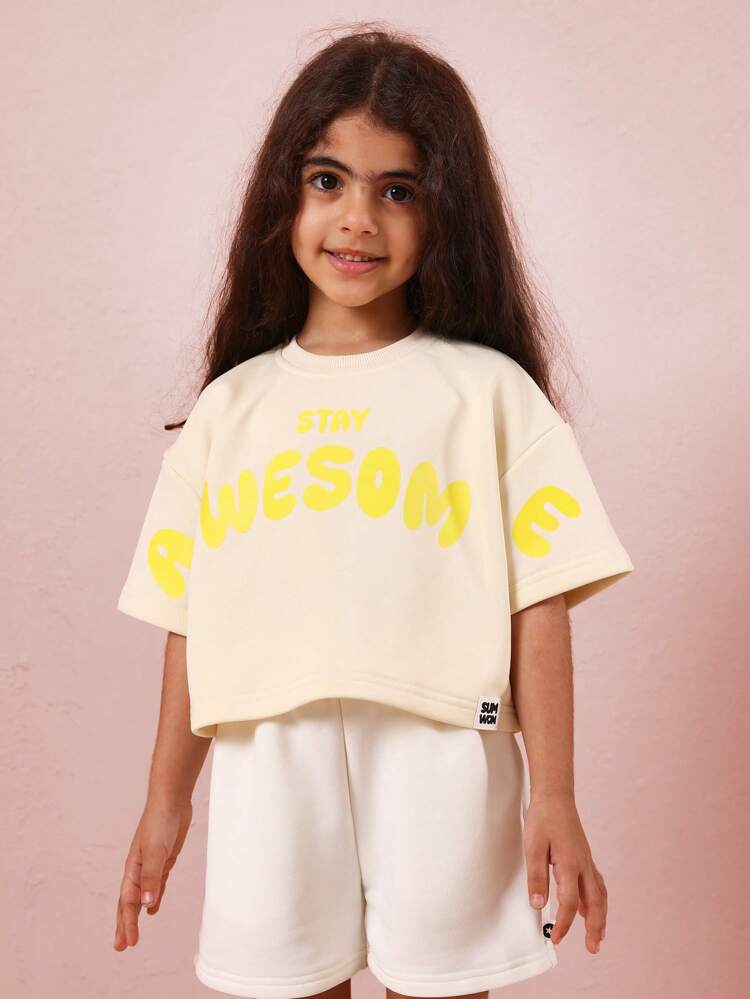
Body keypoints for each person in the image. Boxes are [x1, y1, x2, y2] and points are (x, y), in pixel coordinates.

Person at [112, 24, 634, 999]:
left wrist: (554, 793)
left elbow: (541, 601)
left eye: (398, 190)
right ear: (284, 193)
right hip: (269, 757)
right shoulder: (230, 409)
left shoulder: (487, 394)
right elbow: (190, 616)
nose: (358, 219)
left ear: (447, 212)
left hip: (446, 748)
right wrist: (165, 801)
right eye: (328, 181)